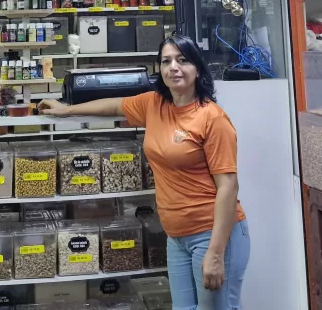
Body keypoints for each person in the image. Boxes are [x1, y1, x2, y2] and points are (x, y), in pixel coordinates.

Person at [39, 34, 250, 310]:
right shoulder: (154, 104)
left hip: (213, 234)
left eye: (182, 60)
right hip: (176, 237)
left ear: (197, 68)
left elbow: (228, 187)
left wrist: (216, 252)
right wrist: (66, 111)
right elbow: (114, 105)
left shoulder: (212, 118)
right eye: (166, 61)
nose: (174, 67)